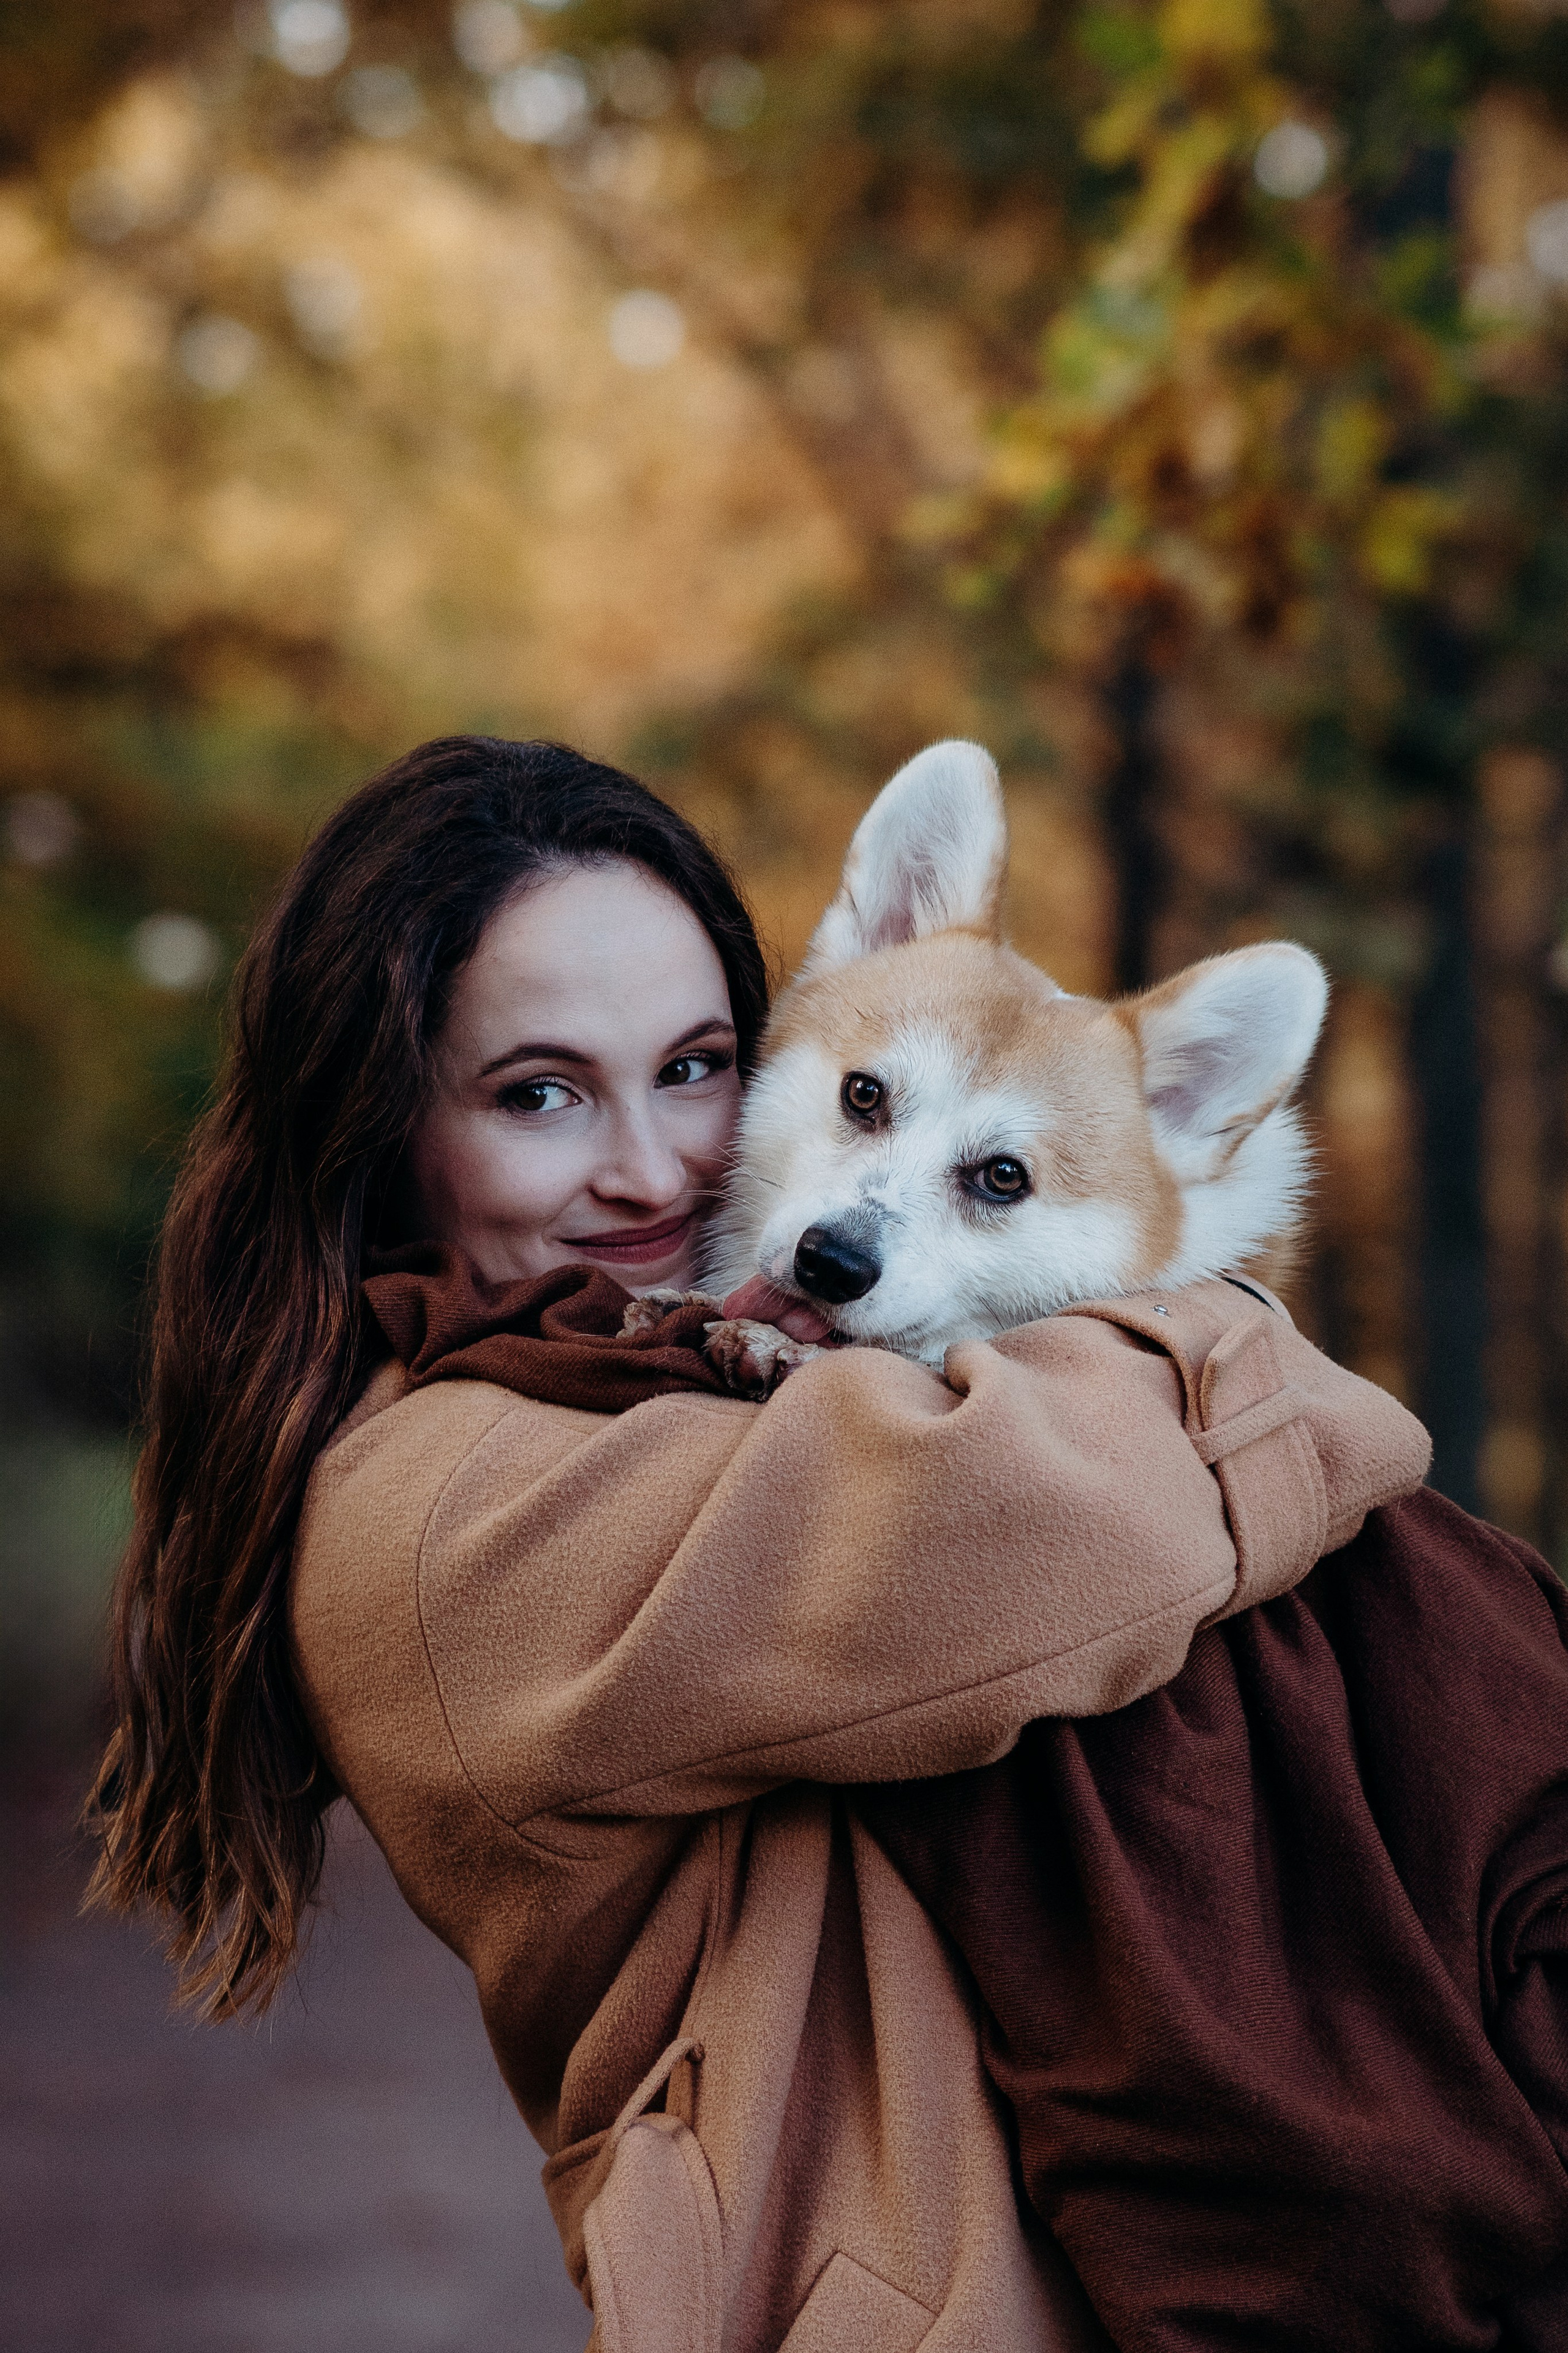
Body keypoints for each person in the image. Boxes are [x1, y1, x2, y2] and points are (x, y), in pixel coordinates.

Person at [87, 736, 1425, 2352]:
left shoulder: (677, 1360)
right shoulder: (445, 1507)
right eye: (539, 1093)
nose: (656, 1168)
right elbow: (1055, 1516)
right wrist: (1267, 1360)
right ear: (383, 1123)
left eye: (699, 1065)